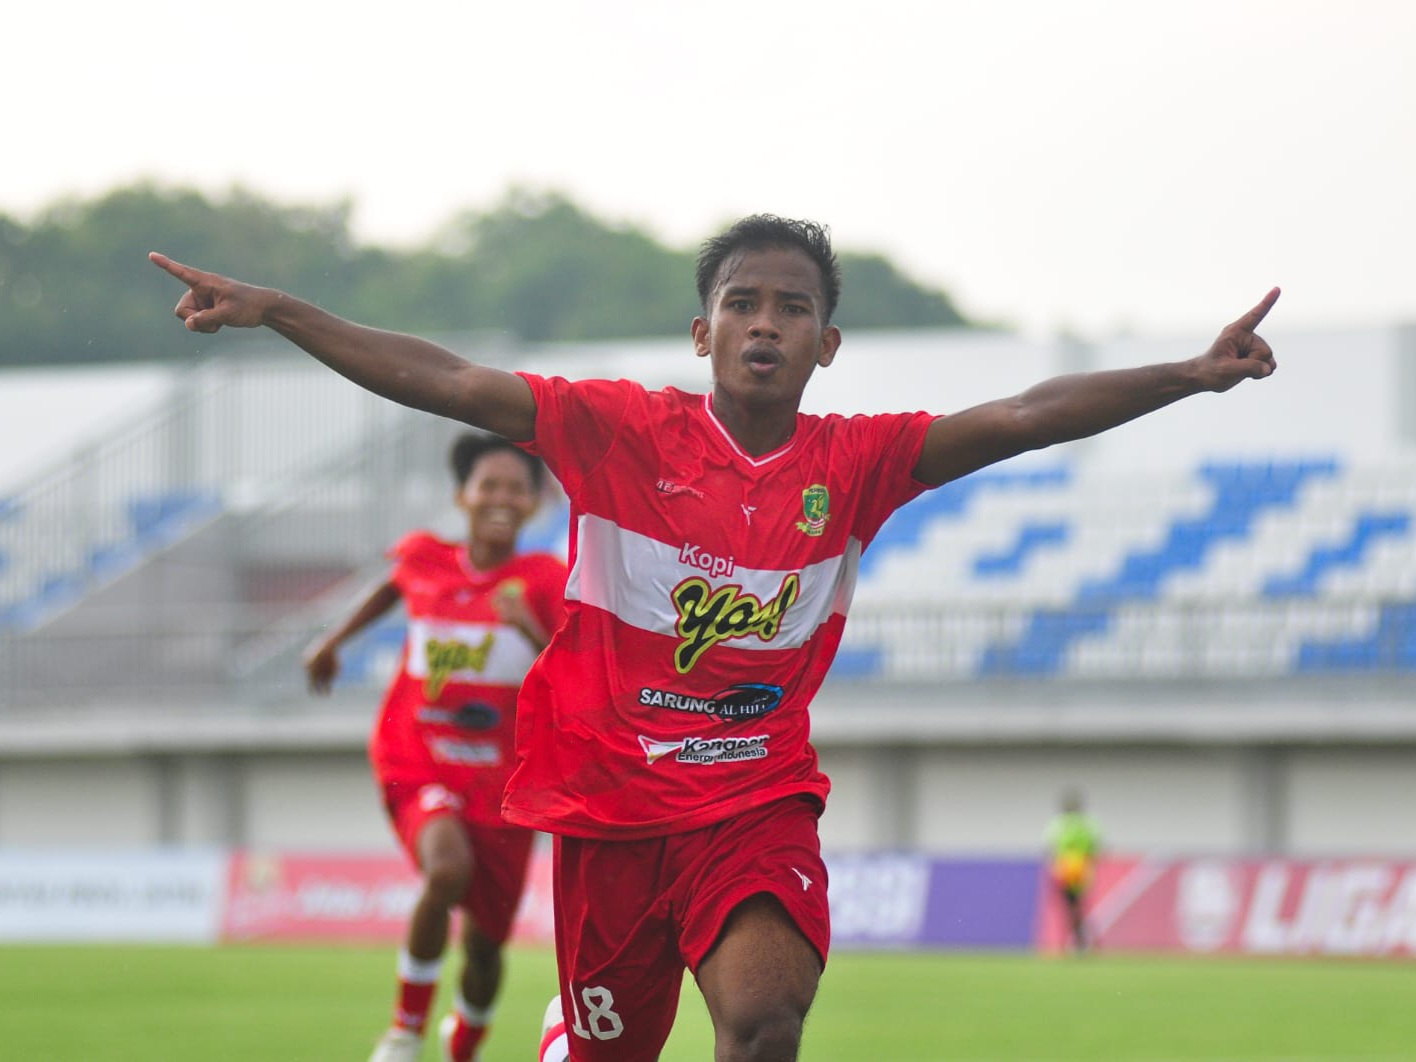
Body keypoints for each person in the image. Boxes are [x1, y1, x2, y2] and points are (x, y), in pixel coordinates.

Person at [151, 216, 1278, 1062]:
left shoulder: (860, 462)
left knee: (764, 1025)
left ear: (825, 343)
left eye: (792, 308)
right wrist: (282, 311)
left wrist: (1188, 372)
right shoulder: (614, 431)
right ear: (705, 330)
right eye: (743, 302)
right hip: (609, 808)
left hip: (753, 801)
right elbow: (448, 380)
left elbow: (1025, 417)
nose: (765, 325)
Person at [302, 430, 567, 1062]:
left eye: (517, 488)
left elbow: (573, 676)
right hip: (416, 757)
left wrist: (528, 628)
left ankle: (463, 1048)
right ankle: (403, 1034)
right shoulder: (427, 557)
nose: (502, 497)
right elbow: (394, 586)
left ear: (534, 504)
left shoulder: (543, 580)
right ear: (462, 496)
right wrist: (332, 641)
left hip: (504, 785)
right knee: (447, 871)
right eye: (489, 485)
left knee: (483, 947)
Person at [1045, 788, 1103, 953]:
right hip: (1083, 867)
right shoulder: (1088, 823)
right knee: (1079, 907)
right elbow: (1096, 846)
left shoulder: (1059, 823)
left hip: (1066, 868)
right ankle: (1083, 941)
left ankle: (1076, 943)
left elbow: (1051, 847)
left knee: (1069, 908)